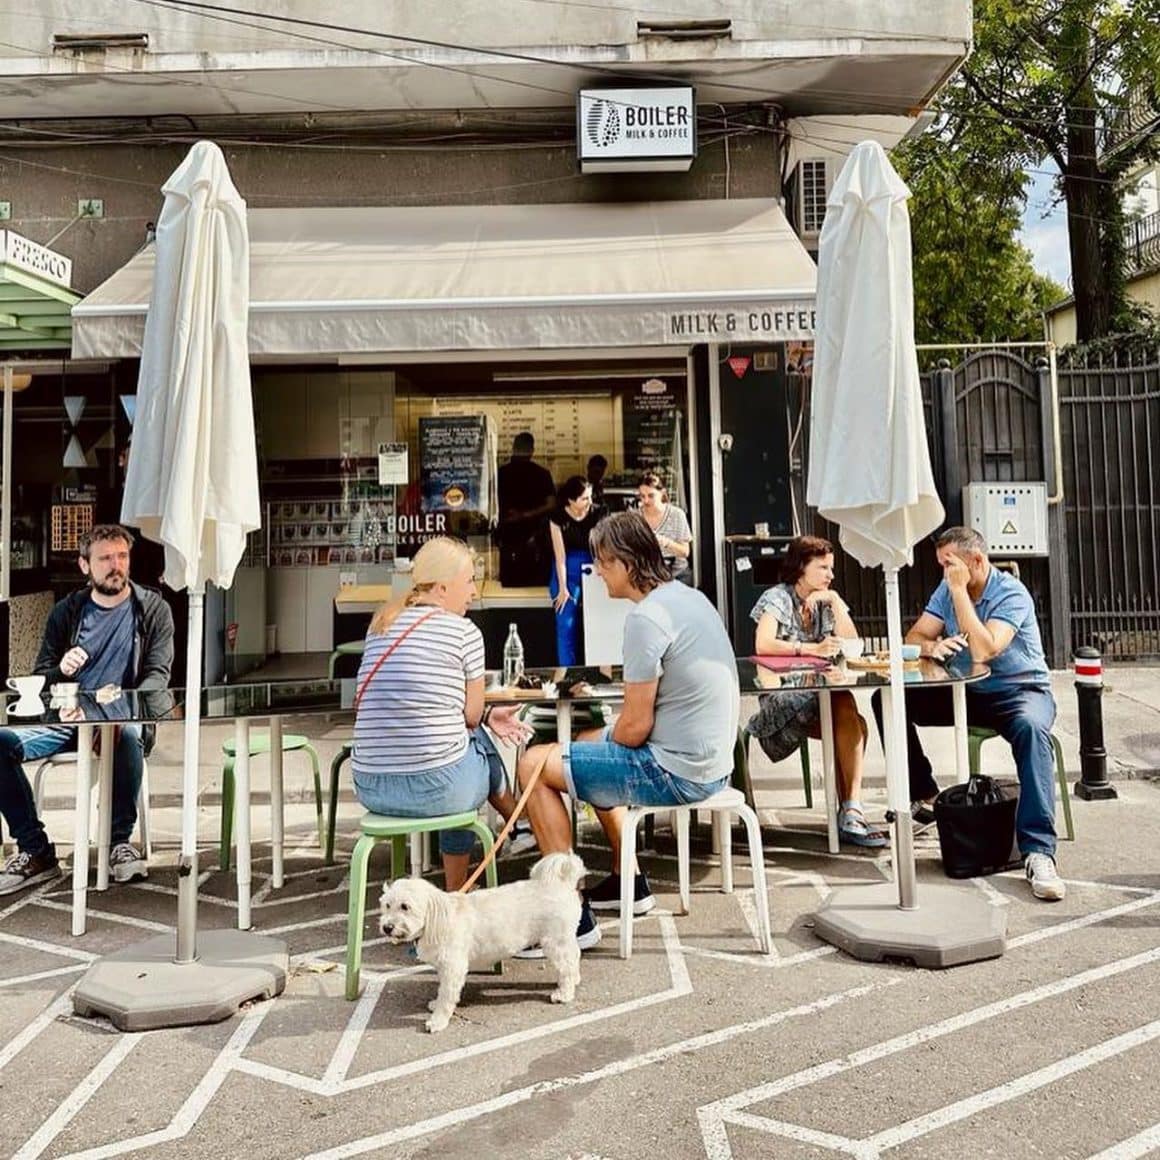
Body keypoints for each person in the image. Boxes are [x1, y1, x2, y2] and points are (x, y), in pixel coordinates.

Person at [515, 511, 740, 948]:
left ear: (625, 562)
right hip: (713, 766)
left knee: (533, 764)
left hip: (674, 771)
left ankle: (569, 918)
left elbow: (635, 729)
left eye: (602, 562)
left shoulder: (646, 619)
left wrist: (598, 746)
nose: (597, 571)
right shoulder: (690, 598)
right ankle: (629, 882)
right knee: (583, 744)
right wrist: (593, 745)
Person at [870, 526, 1065, 902]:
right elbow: (914, 637)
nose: (944, 573)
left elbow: (984, 650)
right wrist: (932, 646)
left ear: (976, 560)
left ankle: (1039, 851)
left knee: (1030, 730)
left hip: (1019, 693)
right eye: (942, 565)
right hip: (969, 692)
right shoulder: (946, 589)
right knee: (889, 700)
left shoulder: (1010, 593)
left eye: (950, 564)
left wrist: (960, 593)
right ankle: (926, 796)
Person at [0, 524, 174, 896]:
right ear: (85, 565)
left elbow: (158, 674)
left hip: (122, 719)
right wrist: (61, 671)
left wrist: (127, 705)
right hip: (67, 721)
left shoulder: (152, 609)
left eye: (122, 556)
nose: (116, 565)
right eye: (105, 558)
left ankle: (117, 843)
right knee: (1, 742)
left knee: (126, 732)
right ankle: (35, 851)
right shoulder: (67, 612)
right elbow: (41, 677)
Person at [352, 536, 530, 890]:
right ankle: (461, 885)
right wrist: (485, 717)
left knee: (461, 743)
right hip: (438, 790)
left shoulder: (380, 625)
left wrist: (482, 718)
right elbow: (471, 716)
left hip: (371, 785)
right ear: (443, 587)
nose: (474, 592)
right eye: (469, 582)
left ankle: (519, 825)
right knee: (468, 744)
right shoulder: (464, 632)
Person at [745, 535, 886, 848]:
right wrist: (810, 648)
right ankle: (850, 812)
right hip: (782, 699)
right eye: (823, 568)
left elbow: (853, 645)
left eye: (831, 568)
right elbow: (763, 644)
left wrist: (835, 602)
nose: (830, 575)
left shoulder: (825, 600)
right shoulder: (778, 597)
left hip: (820, 693)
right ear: (801, 567)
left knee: (848, 708)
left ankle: (851, 811)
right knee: (854, 720)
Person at [548, 475, 604, 665]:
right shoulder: (557, 517)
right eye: (584, 498)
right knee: (566, 623)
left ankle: (600, 671)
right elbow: (560, 556)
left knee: (598, 622)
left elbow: (602, 546)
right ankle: (567, 671)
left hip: (594, 569)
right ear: (571, 500)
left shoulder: (598, 513)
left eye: (590, 497)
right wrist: (563, 588)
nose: (590, 502)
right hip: (567, 572)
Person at [496, 432, 557, 587]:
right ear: (532, 450)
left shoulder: (500, 474)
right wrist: (526, 515)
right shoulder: (542, 474)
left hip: (508, 535)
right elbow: (551, 504)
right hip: (534, 536)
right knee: (536, 582)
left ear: (513, 448)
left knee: (509, 583)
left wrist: (513, 516)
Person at [636, 471, 693, 585]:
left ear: (662, 493)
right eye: (642, 496)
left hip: (678, 576)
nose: (645, 501)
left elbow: (685, 552)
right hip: (648, 577)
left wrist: (665, 542)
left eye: (651, 496)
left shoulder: (677, 514)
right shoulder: (636, 517)